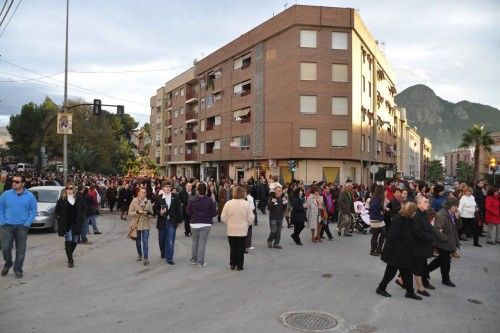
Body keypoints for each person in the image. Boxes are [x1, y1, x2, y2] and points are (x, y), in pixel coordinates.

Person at [376, 202, 422, 300]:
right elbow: (393, 237)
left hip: (404, 251)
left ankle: (410, 292)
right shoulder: (399, 219)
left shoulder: (409, 218)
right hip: (396, 252)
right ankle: (381, 288)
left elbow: (412, 232)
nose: (415, 213)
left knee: (407, 271)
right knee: (391, 272)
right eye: (414, 211)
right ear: (409, 211)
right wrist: (402, 250)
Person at [0, 174, 37, 278]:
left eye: (17, 182)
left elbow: (33, 211)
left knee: (20, 250)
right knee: (5, 248)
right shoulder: (5, 194)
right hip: (7, 226)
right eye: (13, 181)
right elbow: (0, 208)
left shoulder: (30, 196)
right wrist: (2, 221)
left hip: (22, 227)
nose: (14, 183)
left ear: (23, 184)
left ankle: (18, 269)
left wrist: (27, 224)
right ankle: (8, 263)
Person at [401, 195, 435, 296]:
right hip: (417, 246)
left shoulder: (424, 213)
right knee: (417, 267)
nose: (428, 204)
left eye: (428, 202)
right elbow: (418, 233)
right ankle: (420, 288)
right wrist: (431, 237)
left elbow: (427, 228)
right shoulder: (416, 215)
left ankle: (401, 279)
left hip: (423, 245)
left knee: (421, 266)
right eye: (425, 202)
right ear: (418, 204)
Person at [428, 197, 461, 287]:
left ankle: (426, 271)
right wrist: (445, 238)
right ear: (450, 206)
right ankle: (445, 279)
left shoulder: (452, 213)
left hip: (449, 241)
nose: (457, 208)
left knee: (441, 260)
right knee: (446, 261)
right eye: (455, 206)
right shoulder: (441, 214)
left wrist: (458, 218)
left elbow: (458, 227)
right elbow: (436, 229)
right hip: (443, 242)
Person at [221, 186, 254, 271]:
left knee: (233, 248)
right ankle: (239, 265)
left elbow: (223, 217)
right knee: (241, 248)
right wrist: (247, 224)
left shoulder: (228, 203)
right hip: (242, 230)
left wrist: (228, 223)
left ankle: (232, 264)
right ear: (243, 193)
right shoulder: (246, 204)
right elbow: (251, 218)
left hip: (231, 229)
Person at [55, 182, 86, 268]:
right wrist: (59, 218)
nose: (69, 190)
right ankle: (70, 260)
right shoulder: (62, 199)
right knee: (68, 240)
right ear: (66, 189)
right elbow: (57, 210)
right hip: (66, 223)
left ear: (74, 189)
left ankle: (69, 253)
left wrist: (82, 217)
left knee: (75, 241)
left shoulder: (79, 198)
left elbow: (84, 208)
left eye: (71, 188)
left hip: (76, 223)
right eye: (67, 188)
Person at [187, 183, 217, 267]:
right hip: (206, 223)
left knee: (195, 242)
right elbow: (214, 213)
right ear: (206, 191)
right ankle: (200, 262)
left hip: (194, 224)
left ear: (197, 190)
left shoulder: (192, 200)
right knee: (202, 243)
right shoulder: (209, 200)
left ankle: (193, 260)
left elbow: (188, 212)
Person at [154, 181, 181, 264]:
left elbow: (179, 209)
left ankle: (169, 258)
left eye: (169, 187)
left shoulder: (175, 197)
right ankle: (163, 252)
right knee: (161, 240)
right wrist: (160, 213)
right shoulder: (158, 198)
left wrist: (179, 221)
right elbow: (155, 210)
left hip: (172, 222)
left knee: (170, 240)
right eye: (166, 187)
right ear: (163, 188)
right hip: (162, 221)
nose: (168, 188)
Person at [128, 188, 154, 265]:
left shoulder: (148, 202)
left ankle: (146, 258)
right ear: (138, 193)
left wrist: (148, 214)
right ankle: (140, 254)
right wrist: (137, 212)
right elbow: (129, 213)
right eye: (142, 192)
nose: (144, 194)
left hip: (146, 224)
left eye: (145, 192)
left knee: (145, 242)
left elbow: (151, 213)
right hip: (137, 225)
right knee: (138, 242)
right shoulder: (134, 201)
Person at [369, 184, 386, 256]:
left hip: (378, 219)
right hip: (376, 219)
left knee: (384, 234)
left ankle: (378, 249)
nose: (385, 192)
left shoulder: (377, 198)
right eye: (384, 191)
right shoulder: (376, 199)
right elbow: (372, 208)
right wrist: (380, 212)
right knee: (375, 235)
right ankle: (373, 250)